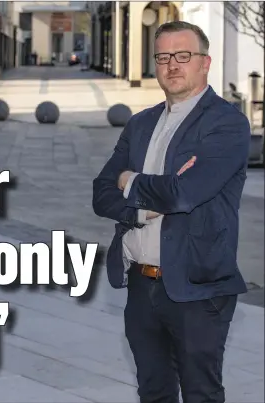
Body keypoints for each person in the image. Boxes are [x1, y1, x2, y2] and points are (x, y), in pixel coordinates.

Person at [92, 21, 250, 403]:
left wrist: (130, 181)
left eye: (183, 56)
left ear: (204, 62)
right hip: (142, 285)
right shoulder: (141, 123)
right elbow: (100, 193)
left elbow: (182, 195)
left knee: (201, 393)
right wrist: (141, 212)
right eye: (163, 57)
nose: (172, 65)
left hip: (197, 287)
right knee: (154, 391)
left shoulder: (226, 123)